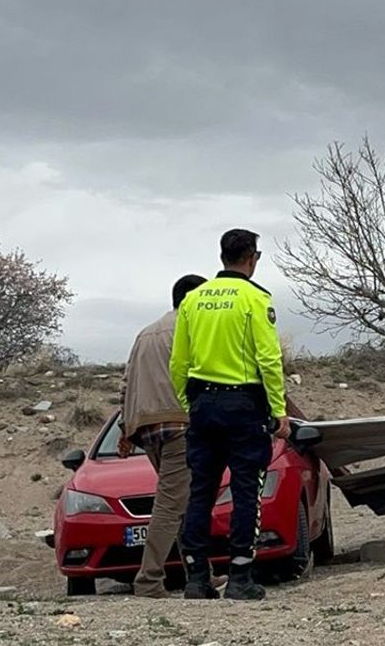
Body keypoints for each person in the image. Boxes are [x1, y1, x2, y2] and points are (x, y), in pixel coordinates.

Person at [170, 228, 290, 601]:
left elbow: (178, 363)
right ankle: (239, 576)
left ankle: (196, 578)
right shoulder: (255, 298)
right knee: (244, 491)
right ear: (251, 258)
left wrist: (191, 405)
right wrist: (279, 410)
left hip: (203, 404)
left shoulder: (193, 300)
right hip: (243, 405)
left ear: (222, 255)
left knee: (200, 492)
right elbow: (268, 359)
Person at [117, 274, 207, 598]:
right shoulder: (192, 329)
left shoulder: (145, 334)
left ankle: (199, 574)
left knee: (183, 502)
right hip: (180, 426)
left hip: (148, 429)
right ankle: (149, 580)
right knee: (171, 505)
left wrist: (126, 430)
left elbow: (125, 385)